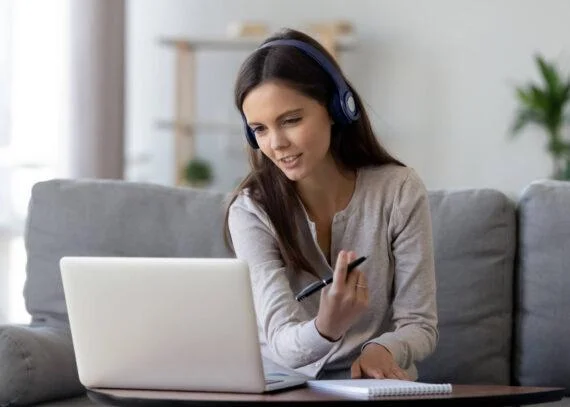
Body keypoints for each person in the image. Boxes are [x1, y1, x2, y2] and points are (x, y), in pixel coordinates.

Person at [224, 28, 437, 381]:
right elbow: (280, 340)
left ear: (338, 107)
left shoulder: (399, 190)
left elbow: (420, 324)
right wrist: (327, 325)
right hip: (284, 386)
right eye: (259, 129)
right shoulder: (251, 210)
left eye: (291, 120)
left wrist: (384, 348)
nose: (276, 144)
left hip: (373, 384)